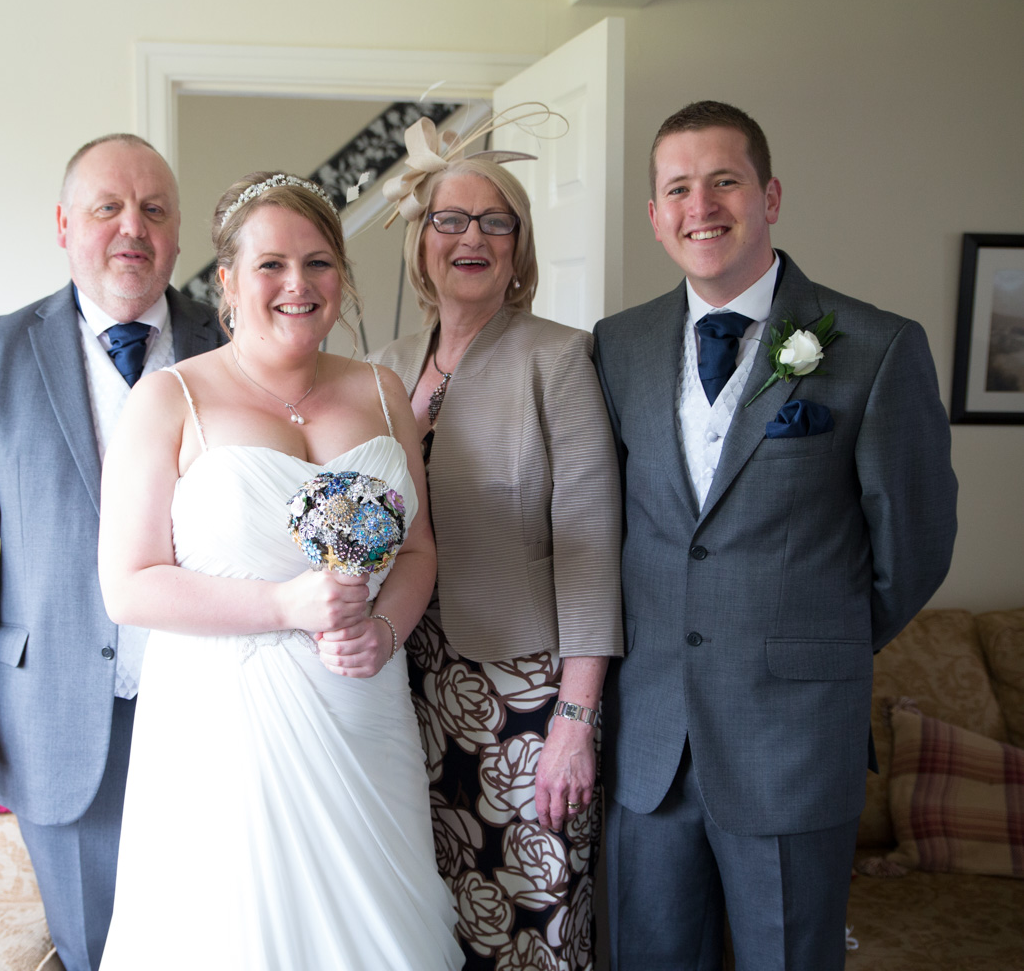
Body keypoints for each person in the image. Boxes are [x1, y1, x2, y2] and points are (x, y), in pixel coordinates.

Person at [592, 100, 959, 969]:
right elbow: (610, 524)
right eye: (677, 188)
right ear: (654, 217)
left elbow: (914, 548)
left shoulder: (874, 346)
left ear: (771, 195)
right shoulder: (619, 346)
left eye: (724, 180)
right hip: (651, 745)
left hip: (791, 740)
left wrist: (809, 643)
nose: (701, 205)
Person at [94, 171, 462, 969]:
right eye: (271, 265)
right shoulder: (169, 399)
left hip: (364, 710)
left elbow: (421, 547)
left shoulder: (383, 390)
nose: (298, 285)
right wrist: (284, 605)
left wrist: (388, 629)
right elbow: (128, 584)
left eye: (320, 263)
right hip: (227, 724)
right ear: (227, 282)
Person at [0, 134, 225, 971]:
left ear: (179, 233)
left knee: (220, 936)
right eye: (107, 207)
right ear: (62, 225)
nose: (133, 228)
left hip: (219, 700)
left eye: (154, 209)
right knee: (93, 948)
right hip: (56, 707)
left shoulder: (232, 339)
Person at [369, 123, 622, 970]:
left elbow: (590, 548)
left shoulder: (559, 359)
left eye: (495, 222)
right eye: (449, 219)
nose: (471, 237)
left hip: (523, 696)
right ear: (422, 241)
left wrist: (575, 721)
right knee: (427, 906)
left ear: (520, 250)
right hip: (403, 688)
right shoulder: (382, 369)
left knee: (530, 914)